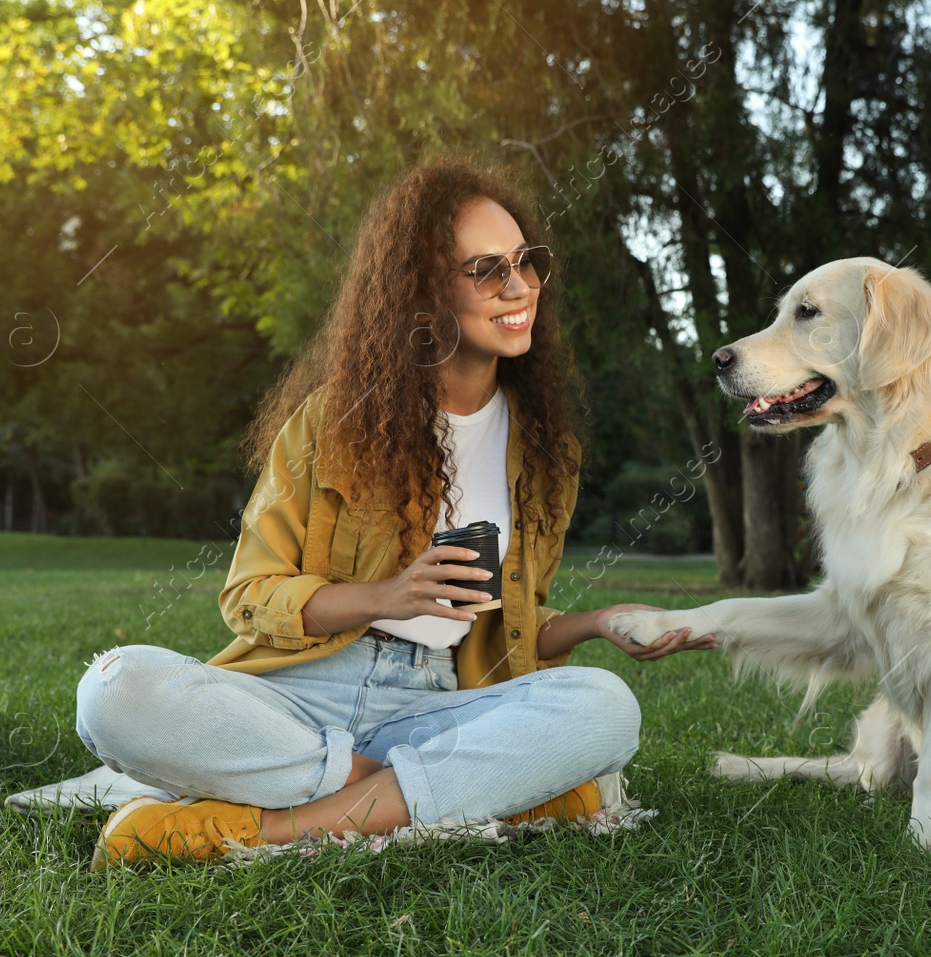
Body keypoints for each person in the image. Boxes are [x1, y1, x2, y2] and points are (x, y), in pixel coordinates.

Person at [75, 159, 713, 869]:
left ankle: (259, 830)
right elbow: (248, 596)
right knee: (113, 690)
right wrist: (388, 595)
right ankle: (442, 791)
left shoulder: (544, 448)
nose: (520, 287)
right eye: (487, 270)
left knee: (607, 706)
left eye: (527, 262)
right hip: (298, 695)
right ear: (421, 295)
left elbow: (515, 637)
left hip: (434, 701)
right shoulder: (331, 421)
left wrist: (598, 623)